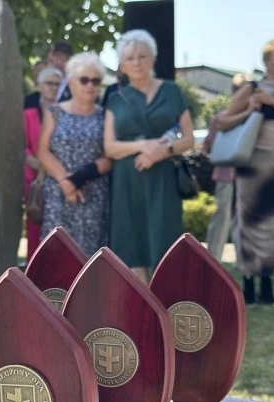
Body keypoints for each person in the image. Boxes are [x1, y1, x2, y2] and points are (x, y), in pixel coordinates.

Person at [104, 30, 195, 283]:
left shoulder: (172, 91)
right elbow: (110, 147)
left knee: (164, 247)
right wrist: (143, 145)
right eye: (130, 58)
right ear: (122, 65)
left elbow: (189, 139)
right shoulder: (115, 99)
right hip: (127, 182)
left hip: (162, 181)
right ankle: (141, 314)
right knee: (132, 250)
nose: (137, 62)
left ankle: (168, 311)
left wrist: (160, 152)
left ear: (153, 59)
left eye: (142, 56)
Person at [219, 39, 274, 305]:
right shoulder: (250, 89)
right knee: (247, 224)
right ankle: (247, 283)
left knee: (272, 225)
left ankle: (266, 283)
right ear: (267, 62)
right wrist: (248, 110)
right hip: (251, 166)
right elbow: (221, 121)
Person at [38, 52, 112, 256]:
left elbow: (109, 157)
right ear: (70, 82)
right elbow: (43, 150)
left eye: (96, 81)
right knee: (56, 258)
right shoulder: (54, 111)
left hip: (92, 195)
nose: (90, 86)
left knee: (91, 261)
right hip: (58, 194)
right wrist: (66, 182)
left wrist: (79, 179)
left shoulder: (104, 115)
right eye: (84, 80)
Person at [202, 73, 249, 262]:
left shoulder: (254, 118)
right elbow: (208, 145)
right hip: (226, 174)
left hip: (248, 176)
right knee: (221, 217)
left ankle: (244, 262)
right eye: (239, 90)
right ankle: (213, 260)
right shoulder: (222, 117)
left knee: (245, 220)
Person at [23, 66, 62, 261]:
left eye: (57, 84)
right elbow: (20, 144)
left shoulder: (65, 112)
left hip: (59, 178)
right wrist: (31, 159)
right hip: (35, 180)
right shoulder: (28, 114)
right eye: (49, 83)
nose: (53, 88)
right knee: (34, 229)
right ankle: (32, 279)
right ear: (39, 86)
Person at [25, 42, 73, 109]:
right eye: (58, 57)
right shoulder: (30, 100)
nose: (60, 62)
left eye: (65, 59)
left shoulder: (72, 87)